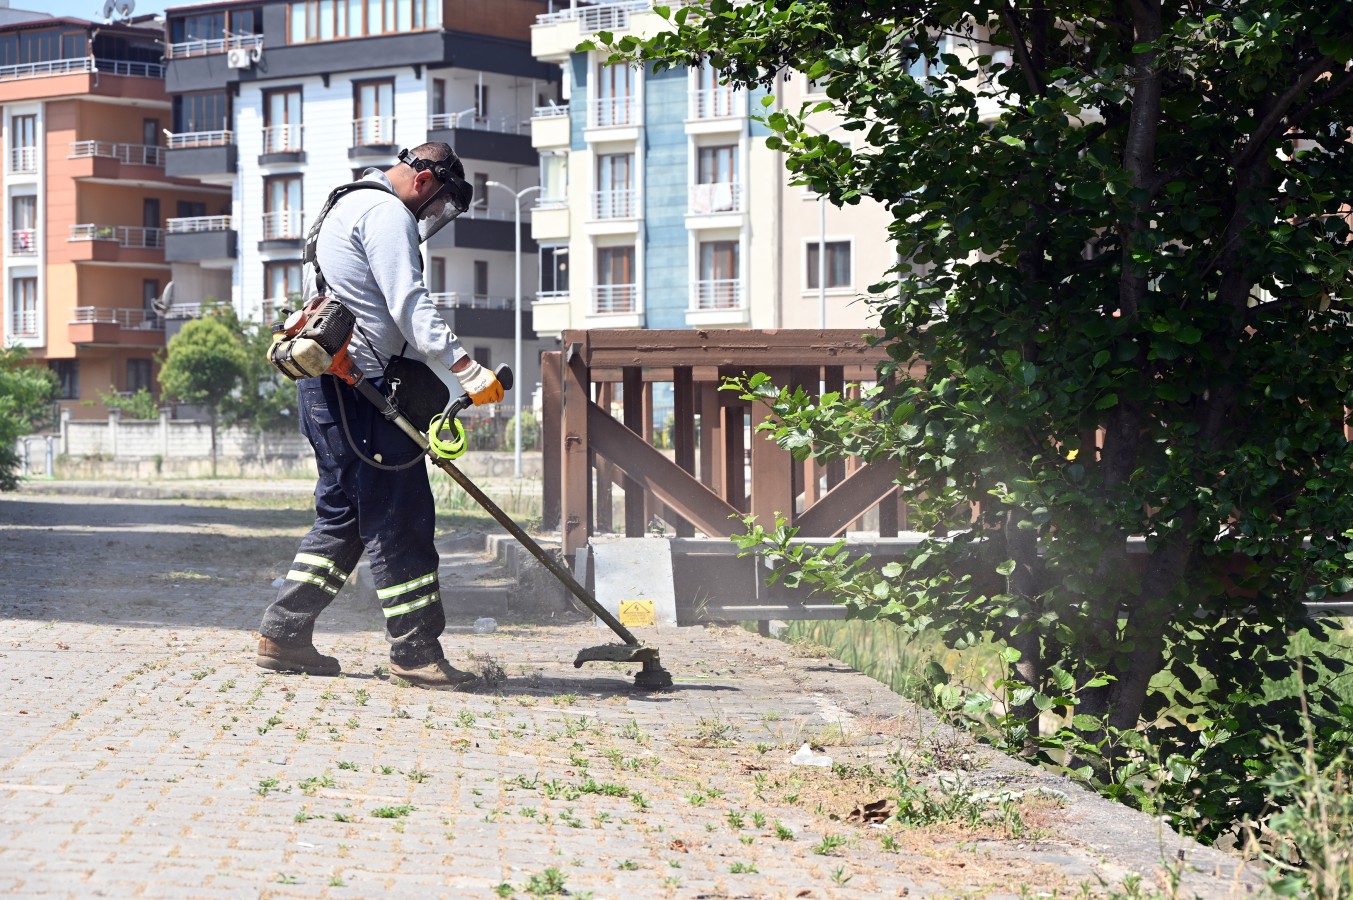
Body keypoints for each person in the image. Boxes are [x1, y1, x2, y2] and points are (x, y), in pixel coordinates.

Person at [255, 141, 503, 690]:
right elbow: (408, 301)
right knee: (400, 512)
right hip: (355, 386)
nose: (431, 215)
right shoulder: (386, 212)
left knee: (345, 514)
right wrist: (466, 368)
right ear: (423, 178)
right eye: (437, 202)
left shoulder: (344, 203)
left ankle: (284, 635)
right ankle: (415, 651)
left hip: (328, 388)